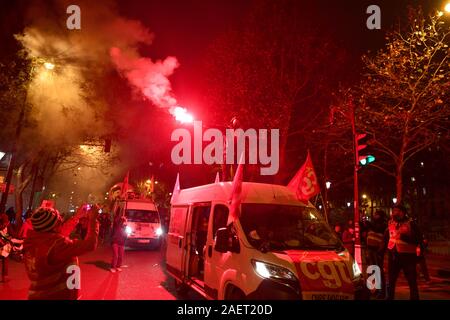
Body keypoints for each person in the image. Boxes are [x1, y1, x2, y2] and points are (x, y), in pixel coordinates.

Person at [23, 204, 99, 300]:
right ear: (54, 227)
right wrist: (93, 220)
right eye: (60, 222)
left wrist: (77, 217)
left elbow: (60, 233)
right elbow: (90, 244)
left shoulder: (34, 242)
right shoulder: (57, 245)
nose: (61, 223)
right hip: (57, 296)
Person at [385, 204, 422, 300]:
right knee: (391, 281)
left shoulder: (411, 224)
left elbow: (418, 239)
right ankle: (389, 298)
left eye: (396, 211)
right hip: (393, 256)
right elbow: (388, 238)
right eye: (393, 211)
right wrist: (382, 251)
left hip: (408, 257)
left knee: (412, 281)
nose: (394, 213)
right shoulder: (391, 223)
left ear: (402, 212)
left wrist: (402, 237)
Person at [366, 210, 387, 298]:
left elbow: (377, 229)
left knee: (378, 270)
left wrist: (368, 223)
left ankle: (381, 291)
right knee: (372, 269)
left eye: (376, 215)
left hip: (377, 250)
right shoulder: (373, 224)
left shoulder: (383, 225)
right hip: (371, 249)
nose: (374, 216)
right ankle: (373, 289)